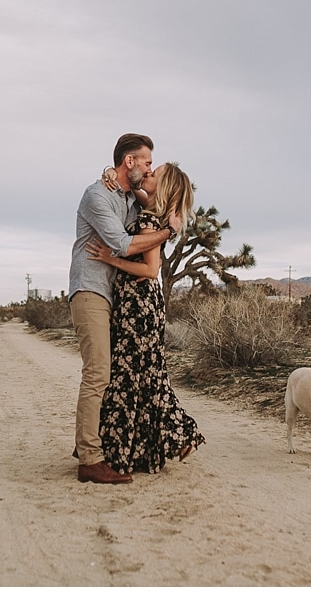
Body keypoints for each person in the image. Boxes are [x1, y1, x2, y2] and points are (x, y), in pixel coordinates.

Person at [85, 161, 206, 473]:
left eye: (156, 174)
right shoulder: (147, 209)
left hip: (140, 306)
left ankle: (170, 437)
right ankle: (161, 441)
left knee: (133, 375)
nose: (149, 173)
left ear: (163, 187)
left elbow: (151, 270)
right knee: (142, 375)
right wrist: (109, 172)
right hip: (135, 304)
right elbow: (132, 187)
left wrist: (112, 259)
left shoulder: (151, 222)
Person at [70, 134, 173, 484]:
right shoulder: (96, 195)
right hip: (91, 290)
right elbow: (121, 244)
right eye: (145, 162)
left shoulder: (128, 197)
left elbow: (154, 201)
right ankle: (90, 459)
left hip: (113, 298)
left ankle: (102, 450)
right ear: (129, 161)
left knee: (112, 376)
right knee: (98, 373)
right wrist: (167, 232)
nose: (148, 168)